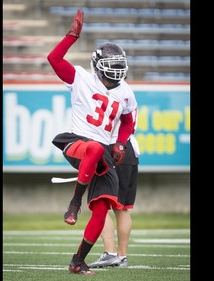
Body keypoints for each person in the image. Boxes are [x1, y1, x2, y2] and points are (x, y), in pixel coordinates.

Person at [47, 9, 138, 275]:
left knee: (102, 208)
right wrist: (72, 36)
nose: (114, 77)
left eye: (117, 72)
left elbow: (129, 122)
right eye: (109, 72)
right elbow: (53, 58)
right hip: (80, 143)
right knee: (96, 147)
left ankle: (78, 261)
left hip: (105, 156)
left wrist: (121, 143)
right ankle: (74, 202)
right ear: (97, 67)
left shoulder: (126, 92)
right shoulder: (80, 78)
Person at [88, 115, 140, 269]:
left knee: (100, 203)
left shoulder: (112, 93)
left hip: (112, 149)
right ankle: (122, 257)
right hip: (129, 149)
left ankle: (110, 254)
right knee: (122, 208)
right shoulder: (128, 94)